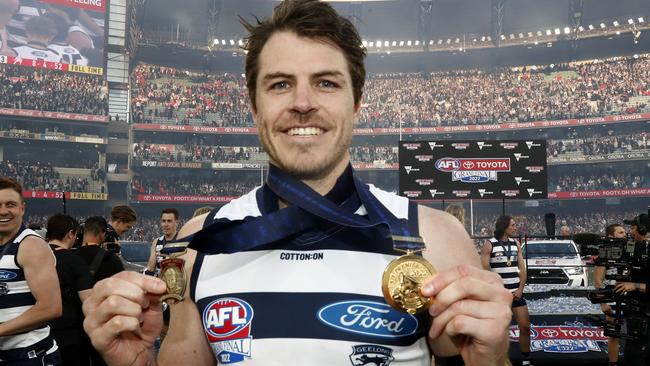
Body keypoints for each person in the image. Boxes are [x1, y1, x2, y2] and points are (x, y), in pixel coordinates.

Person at [82, 1, 512, 365]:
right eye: (280, 84)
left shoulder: (436, 238)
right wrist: (135, 362)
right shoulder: (200, 245)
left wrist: (493, 359)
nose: (303, 103)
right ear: (254, 106)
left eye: (326, 83)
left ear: (357, 102)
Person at [0, 176, 62, 364]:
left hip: (29, 354)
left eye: (10, 204)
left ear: (22, 208)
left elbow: (51, 308)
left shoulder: (30, 246)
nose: (3, 211)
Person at [481, 216, 532, 366]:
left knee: (525, 326)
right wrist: (497, 291)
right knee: (498, 331)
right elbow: (484, 271)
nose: (516, 227)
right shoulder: (489, 244)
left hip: (516, 293)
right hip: (498, 296)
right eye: (513, 225)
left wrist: (520, 289)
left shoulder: (516, 243)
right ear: (505, 227)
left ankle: (526, 360)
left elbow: (522, 269)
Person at [76, 216, 124, 366]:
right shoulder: (112, 260)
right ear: (102, 234)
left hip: (77, 325)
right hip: (104, 324)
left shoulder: (71, 257)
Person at [46, 213, 93, 366]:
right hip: (69, 336)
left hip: (37, 335)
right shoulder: (75, 262)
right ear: (70, 234)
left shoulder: (32, 257)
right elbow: (89, 303)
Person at [616, 213, 650, 366]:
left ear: (642, 229)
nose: (631, 231)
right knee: (632, 354)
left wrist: (634, 285)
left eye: (633, 227)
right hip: (634, 311)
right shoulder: (632, 246)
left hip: (646, 313)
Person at [594, 223, 626, 366]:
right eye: (620, 232)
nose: (624, 234)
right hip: (612, 298)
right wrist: (603, 303)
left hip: (630, 298)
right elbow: (598, 280)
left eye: (624, 232)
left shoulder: (630, 250)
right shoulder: (605, 252)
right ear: (610, 236)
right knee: (614, 335)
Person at [146, 208, 180, 273]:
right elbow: (150, 268)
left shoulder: (183, 241)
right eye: (163, 221)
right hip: (160, 281)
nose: (166, 225)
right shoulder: (156, 242)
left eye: (169, 221)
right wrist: (154, 256)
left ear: (177, 222)